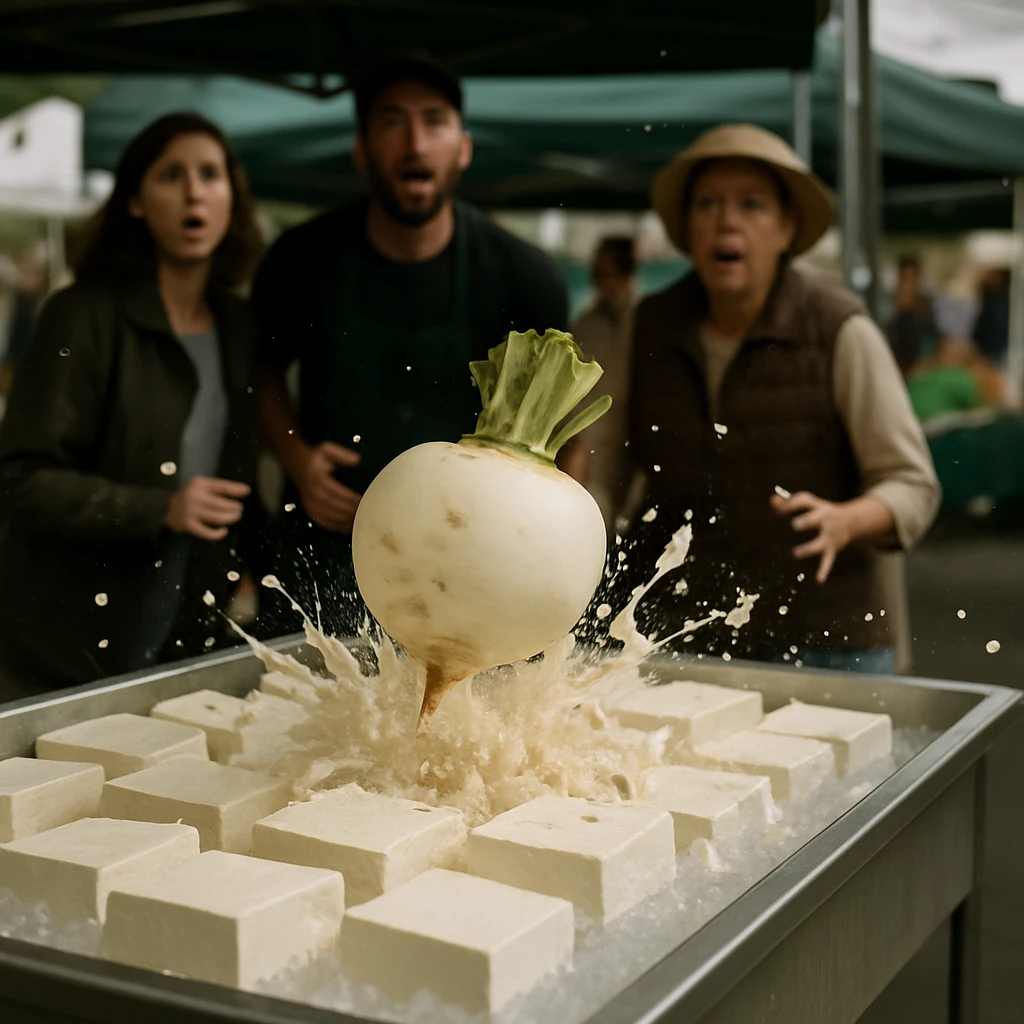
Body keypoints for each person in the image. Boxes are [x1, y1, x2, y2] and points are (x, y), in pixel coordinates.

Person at [251, 52, 568, 636]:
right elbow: (262, 376)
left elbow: (568, 423)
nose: (414, 141)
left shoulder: (524, 273)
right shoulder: (300, 258)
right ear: (362, 149)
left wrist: (544, 542)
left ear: (464, 148)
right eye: (392, 120)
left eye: (435, 120)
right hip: (328, 537)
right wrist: (298, 460)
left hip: (471, 554)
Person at [627, 124, 940, 673]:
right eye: (708, 204)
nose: (727, 221)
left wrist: (847, 520)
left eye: (752, 205)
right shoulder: (650, 326)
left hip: (830, 641)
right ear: (686, 227)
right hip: (684, 631)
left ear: (787, 227)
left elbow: (913, 487)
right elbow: (601, 470)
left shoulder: (838, 328)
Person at [0, 113, 264, 699]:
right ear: (137, 203)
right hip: (65, 638)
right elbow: (22, 478)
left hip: (187, 626)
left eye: (209, 174)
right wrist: (159, 507)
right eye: (171, 175)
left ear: (230, 197)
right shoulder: (83, 314)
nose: (194, 191)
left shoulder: (239, 326)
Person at [565, 236, 640, 529]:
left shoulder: (646, 319)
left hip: (635, 446)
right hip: (590, 447)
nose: (598, 282)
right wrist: (576, 445)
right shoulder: (586, 323)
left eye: (603, 273)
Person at [885, 254, 938, 375]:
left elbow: (930, 335)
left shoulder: (924, 303)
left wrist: (925, 361)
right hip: (893, 363)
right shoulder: (889, 301)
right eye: (905, 277)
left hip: (918, 366)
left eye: (911, 277)